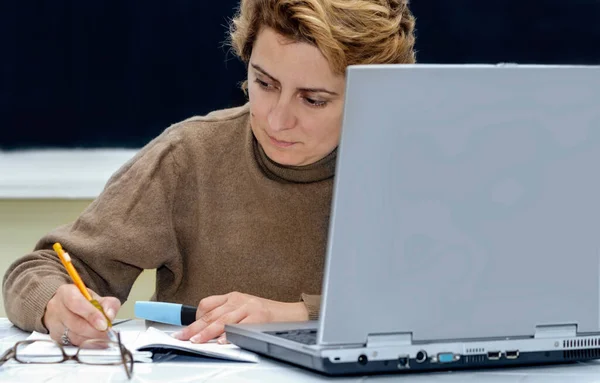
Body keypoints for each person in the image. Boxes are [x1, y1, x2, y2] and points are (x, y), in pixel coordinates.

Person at [2, 0, 416, 346]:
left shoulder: (412, 169)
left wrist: (292, 315)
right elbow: (36, 270)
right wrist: (56, 303)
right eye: (264, 83)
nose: (276, 119)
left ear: (372, 96)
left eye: (313, 100)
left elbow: (450, 305)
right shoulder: (189, 157)